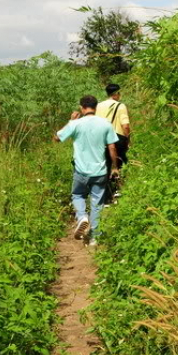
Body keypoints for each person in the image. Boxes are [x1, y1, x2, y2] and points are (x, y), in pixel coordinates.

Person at [54, 95, 119, 246]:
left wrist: (71, 121)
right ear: (95, 107)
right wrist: (114, 167)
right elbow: (112, 147)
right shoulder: (105, 124)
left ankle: (82, 216)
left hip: (81, 171)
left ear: (81, 107)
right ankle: (95, 237)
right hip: (100, 171)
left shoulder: (76, 124)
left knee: (77, 195)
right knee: (97, 203)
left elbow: (57, 138)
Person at [96, 83, 131, 202]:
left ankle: (105, 197)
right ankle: (118, 191)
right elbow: (125, 126)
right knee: (120, 163)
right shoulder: (120, 106)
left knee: (104, 166)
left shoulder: (98, 106)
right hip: (117, 138)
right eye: (119, 93)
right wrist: (128, 140)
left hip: (101, 139)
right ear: (116, 94)